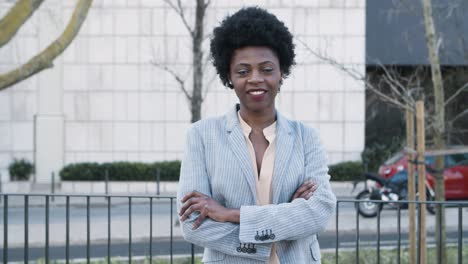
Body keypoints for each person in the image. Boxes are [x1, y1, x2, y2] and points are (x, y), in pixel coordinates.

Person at [177, 7, 336, 263]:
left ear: (281, 72)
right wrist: (282, 226)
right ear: (228, 76)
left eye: (266, 69)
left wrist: (230, 214)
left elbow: (319, 212)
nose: (255, 79)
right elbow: (194, 224)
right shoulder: (201, 136)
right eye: (243, 71)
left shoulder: (307, 138)